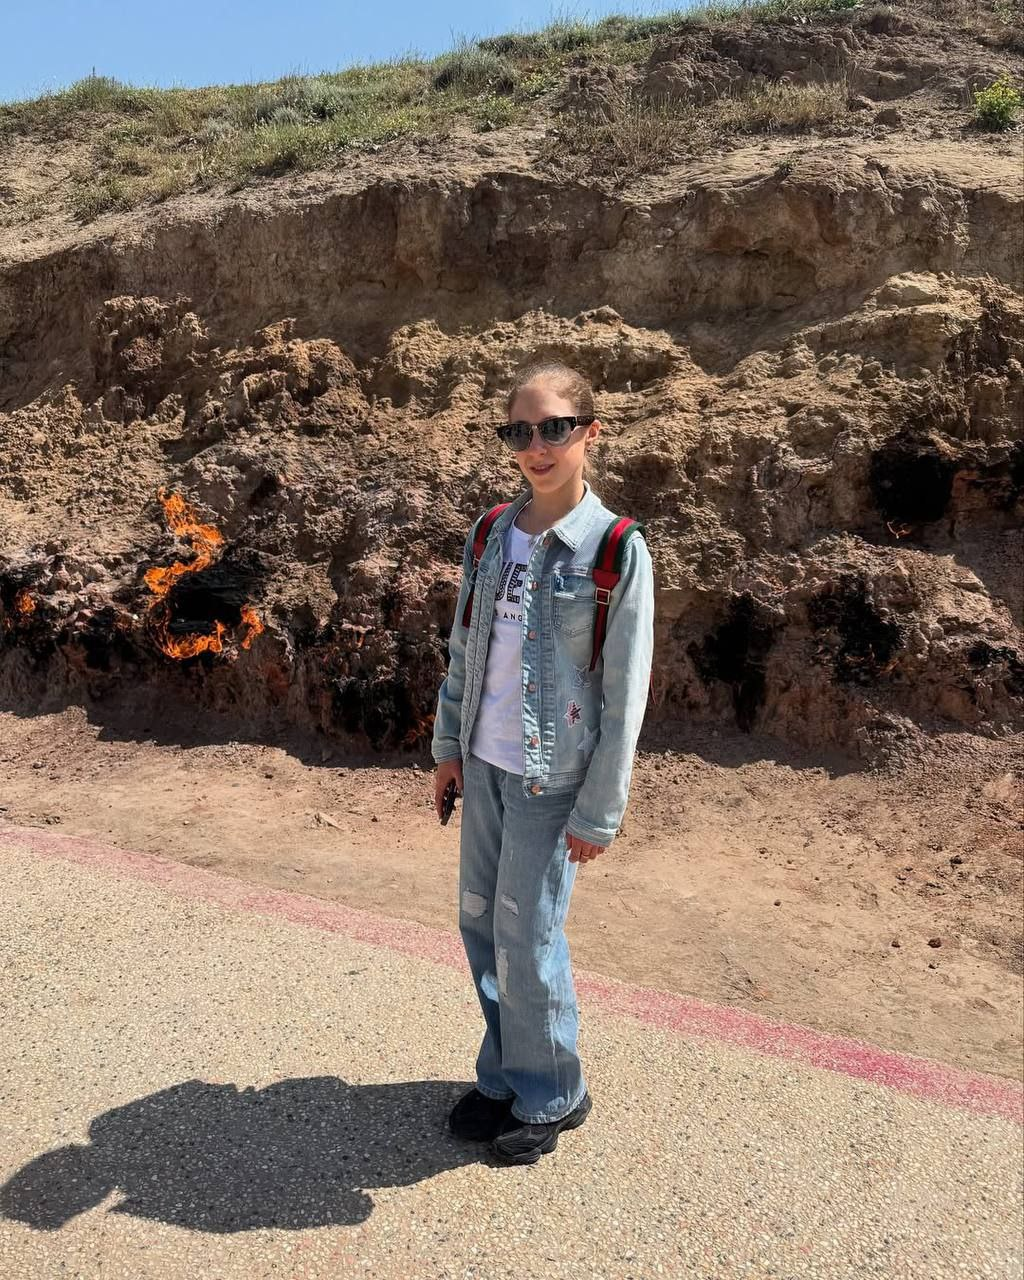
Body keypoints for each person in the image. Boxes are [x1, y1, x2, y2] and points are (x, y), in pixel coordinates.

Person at [431, 359, 655, 1166]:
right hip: (486, 765)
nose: (537, 446)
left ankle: (553, 1090)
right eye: (519, 431)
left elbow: (625, 694)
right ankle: (504, 1074)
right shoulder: (492, 532)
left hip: (551, 779)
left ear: (590, 432)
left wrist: (600, 811)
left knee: (528, 937)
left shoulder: (615, 549)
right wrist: (448, 748)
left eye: (555, 427)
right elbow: (465, 649)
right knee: (481, 923)